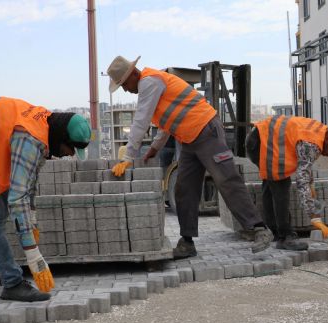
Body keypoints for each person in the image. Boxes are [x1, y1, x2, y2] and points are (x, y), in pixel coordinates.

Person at [106, 55, 271, 259]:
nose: (125, 89)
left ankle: (258, 228)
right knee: (184, 189)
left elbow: (141, 120)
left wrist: (128, 156)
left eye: (123, 84)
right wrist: (155, 148)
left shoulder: (149, 82)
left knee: (226, 179)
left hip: (206, 130)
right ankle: (187, 241)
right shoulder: (152, 84)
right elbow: (167, 120)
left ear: (132, 74)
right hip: (189, 138)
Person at [0, 97, 91, 302]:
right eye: (71, 149)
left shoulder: (44, 127)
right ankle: (12, 283)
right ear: (62, 138)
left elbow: (29, 182)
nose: (70, 155)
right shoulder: (30, 138)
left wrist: (33, 221)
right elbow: (18, 197)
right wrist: (33, 255)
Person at [245, 116, 328, 250]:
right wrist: (314, 217)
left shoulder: (321, 132)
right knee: (281, 184)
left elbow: (305, 164)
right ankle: (285, 237)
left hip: (259, 139)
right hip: (262, 142)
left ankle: (273, 231)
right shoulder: (312, 144)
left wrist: (310, 184)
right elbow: (301, 180)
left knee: (271, 183)